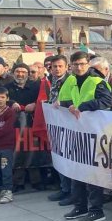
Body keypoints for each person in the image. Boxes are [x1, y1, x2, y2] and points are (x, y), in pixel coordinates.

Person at [58, 51, 112, 221]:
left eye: (82, 64)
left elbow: (107, 101)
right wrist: (69, 105)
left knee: (93, 173)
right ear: (71, 66)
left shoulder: (97, 81)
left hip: (95, 134)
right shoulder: (71, 80)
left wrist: (82, 106)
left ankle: (96, 210)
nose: (79, 67)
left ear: (88, 64)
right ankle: (80, 206)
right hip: (77, 133)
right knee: (77, 171)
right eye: (75, 64)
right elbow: (63, 100)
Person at [6, 63, 42, 191]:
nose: (20, 74)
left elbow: (42, 99)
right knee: (18, 151)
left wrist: (34, 105)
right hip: (14, 125)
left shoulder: (35, 86)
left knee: (33, 151)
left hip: (32, 124)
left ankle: (36, 181)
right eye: (17, 71)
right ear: (13, 73)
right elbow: (0, 98)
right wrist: (12, 102)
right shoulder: (7, 86)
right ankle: (18, 182)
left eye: (23, 72)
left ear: (27, 74)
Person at [47, 55, 73, 203]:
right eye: (54, 66)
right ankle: (64, 188)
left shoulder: (70, 81)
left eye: (60, 66)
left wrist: (62, 102)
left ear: (66, 67)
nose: (57, 69)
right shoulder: (53, 81)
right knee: (59, 157)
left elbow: (76, 99)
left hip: (68, 125)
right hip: (57, 124)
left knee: (67, 158)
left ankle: (70, 191)